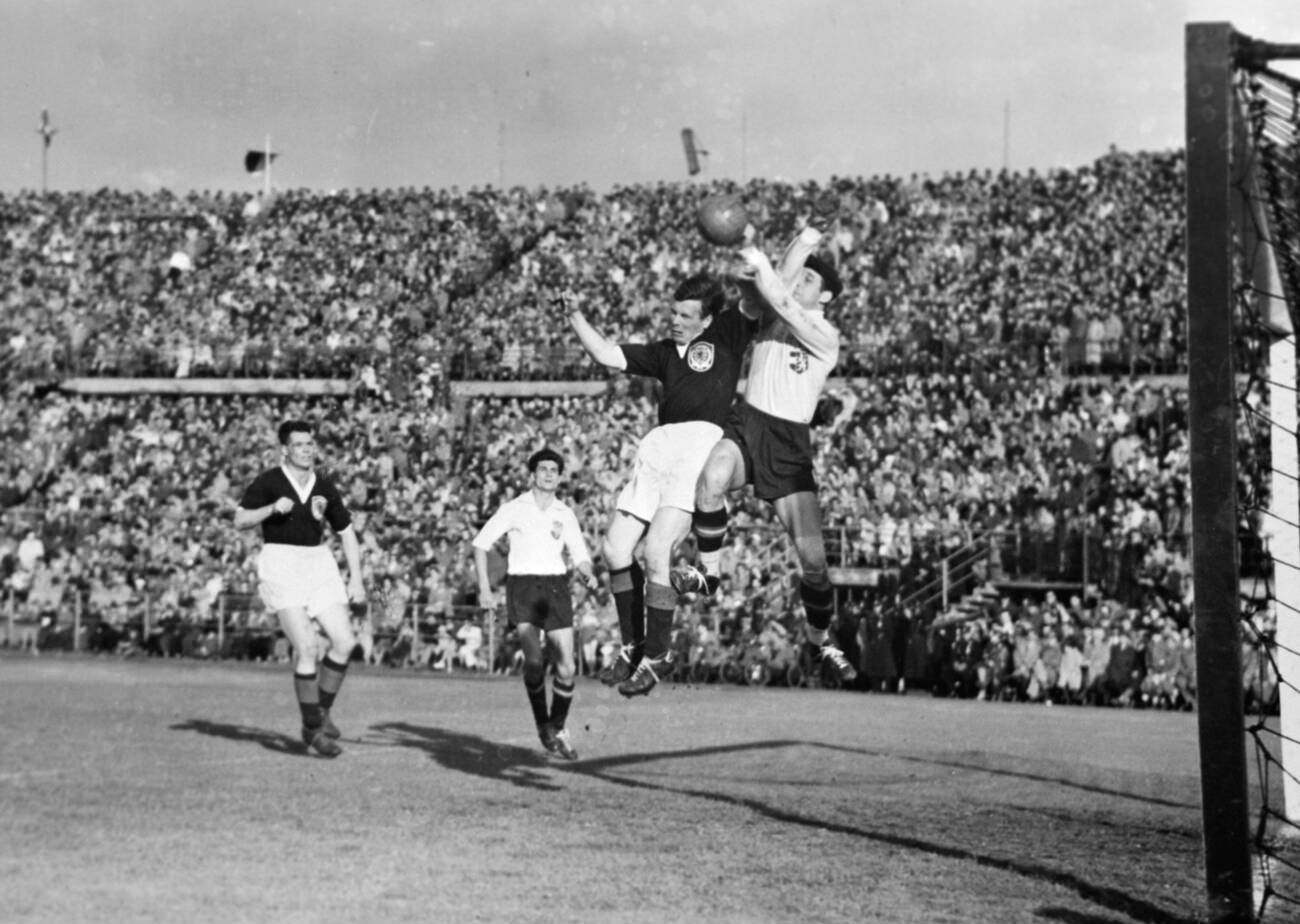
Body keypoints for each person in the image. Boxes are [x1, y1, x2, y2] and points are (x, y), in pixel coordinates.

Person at [671, 225, 859, 687]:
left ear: (828, 298)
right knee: (711, 479)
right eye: (801, 279)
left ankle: (821, 639)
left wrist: (759, 253)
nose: (800, 285)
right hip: (748, 422)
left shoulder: (822, 333)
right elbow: (776, 283)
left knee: (813, 561)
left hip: (788, 444)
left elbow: (781, 292)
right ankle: (710, 575)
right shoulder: (774, 315)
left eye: (812, 283)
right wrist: (802, 238)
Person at [558, 272, 758, 697]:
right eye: (674, 311)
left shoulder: (726, 335)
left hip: (698, 445)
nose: (676, 319)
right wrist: (574, 314)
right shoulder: (663, 353)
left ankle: (659, 653)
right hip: (659, 447)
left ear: (706, 320)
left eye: (686, 315)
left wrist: (754, 268)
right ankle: (632, 645)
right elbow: (607, 354)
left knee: (655, 551)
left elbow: (757, 302)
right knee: (614, 549)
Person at [235, 420, 366, 758]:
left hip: (318, 563)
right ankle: (312, 730)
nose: (307, 450)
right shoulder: (269, 482)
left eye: (310, 444)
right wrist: (270, 509)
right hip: (281, 564)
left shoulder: (324, 485)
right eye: (299, 445)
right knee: (307, 647)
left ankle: (318, 713)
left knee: (345, 642)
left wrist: (357, 579)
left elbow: (347, 532)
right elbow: (240, 520)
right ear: (285, 449)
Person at [472, 447, 598, 760]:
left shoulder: (564, 513)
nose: (548, 474)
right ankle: (545, 725)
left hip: (555, 587)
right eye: (543, 469)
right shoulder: (515, 508)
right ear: (532, 475)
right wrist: (485, 589)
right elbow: (480, 544)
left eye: (554, 470)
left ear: (559, 477)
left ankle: (556, 727)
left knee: (566, 666)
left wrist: (586, 573)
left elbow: (581, 556)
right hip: (523, 585)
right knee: (533, 662)